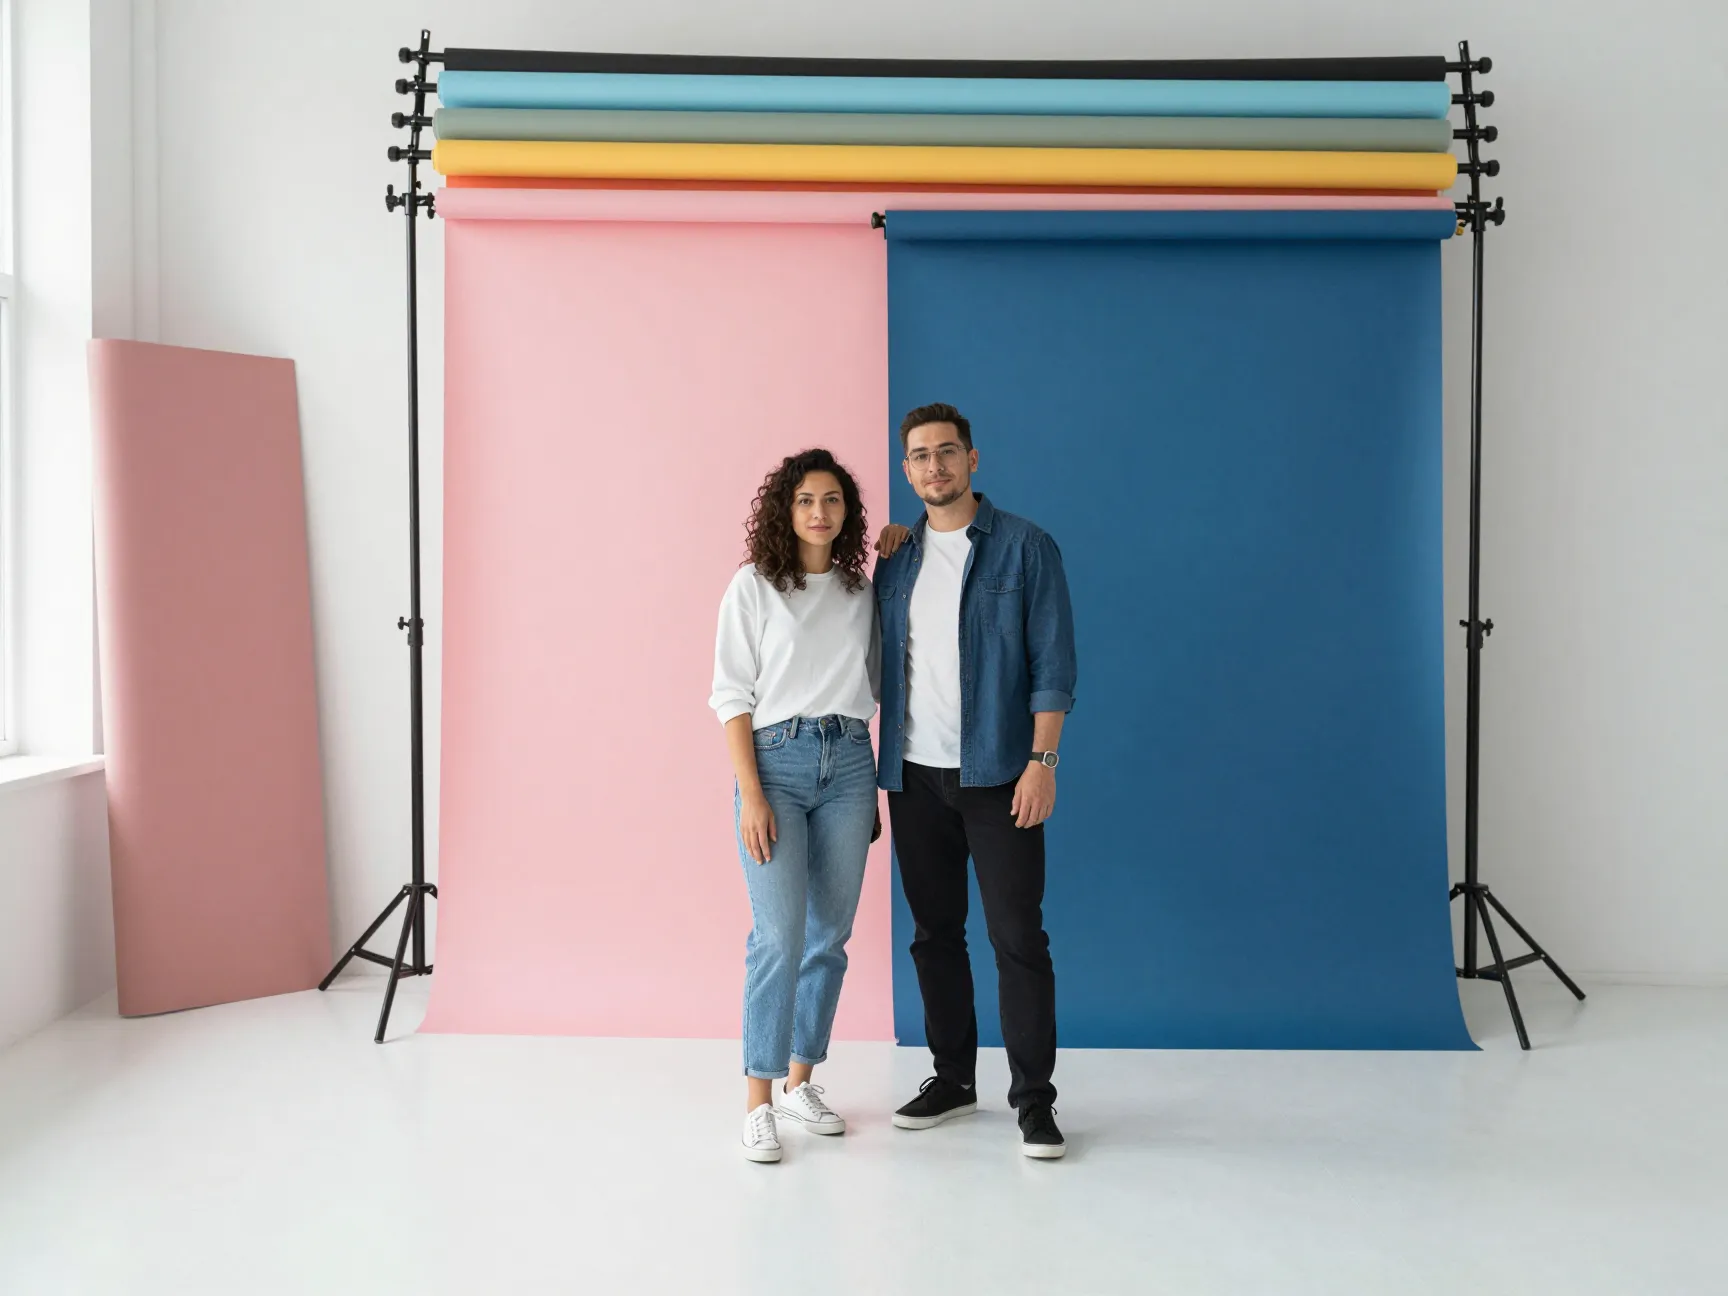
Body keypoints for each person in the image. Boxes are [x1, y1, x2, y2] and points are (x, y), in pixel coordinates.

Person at [873, 403, 1077, 1159]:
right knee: (934, 936)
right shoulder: (894, 558)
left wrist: (1042, 762)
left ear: (973, 459)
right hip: (913, 777)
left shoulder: (1026, 547)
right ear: (907, 470)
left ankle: (1034, 1103)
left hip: (999, 776)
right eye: (920, 456)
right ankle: (953, 1080)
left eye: (947, 453)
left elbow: (1054, 668)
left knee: (1018, 939)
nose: (935, 467)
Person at [710, 448, 883, 1164]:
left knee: (828, 936)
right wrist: (751, 792)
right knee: (777, 936)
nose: (820, 511)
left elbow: (877, 681)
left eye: (834, 500)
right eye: (807, 499)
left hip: (848, 763)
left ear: (848, 513)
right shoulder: (753, 587)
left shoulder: (859, 589)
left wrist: (871, 786)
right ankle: (758, 1099)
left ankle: (802, 1081)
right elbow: (730, 695)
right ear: (787, 509)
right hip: (775, 765)